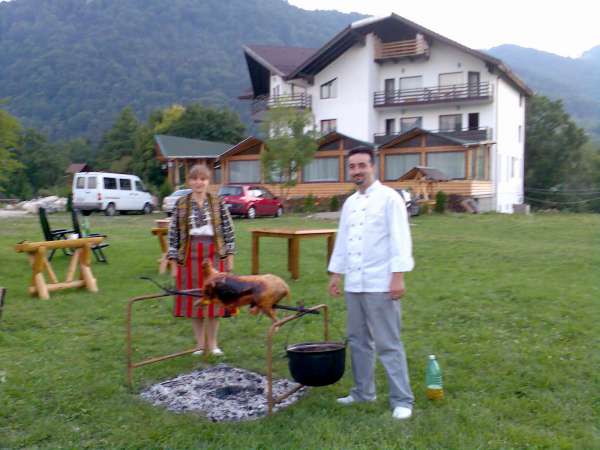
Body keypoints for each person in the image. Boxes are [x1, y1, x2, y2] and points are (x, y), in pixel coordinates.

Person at [328, 147, 415, 420]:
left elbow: (400, 238)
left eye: (362, 165)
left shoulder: (390, 199)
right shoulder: (350, 203)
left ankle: (402, 399)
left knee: (388, 342)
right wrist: (336, 273)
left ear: (373, 167)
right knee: (358, 340)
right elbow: (343, 240)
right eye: (352, 166)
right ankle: (363, 392)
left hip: (381, 282)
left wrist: (398, 275)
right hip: (354, 283)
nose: (357, 171)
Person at [167, 164, 236, 356]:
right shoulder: (181, 203)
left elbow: (229, 231)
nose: (199, 182)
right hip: (189, 258)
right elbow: (173, 235)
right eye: (195, 179)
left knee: (214, 301)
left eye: (203, 179)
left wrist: (229, 258)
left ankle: (213, 344)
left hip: (215, 255)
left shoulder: (218, 202)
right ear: (189, 181)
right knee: (194, 301)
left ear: (208, 181)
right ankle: (199, 345)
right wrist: (174, 264)